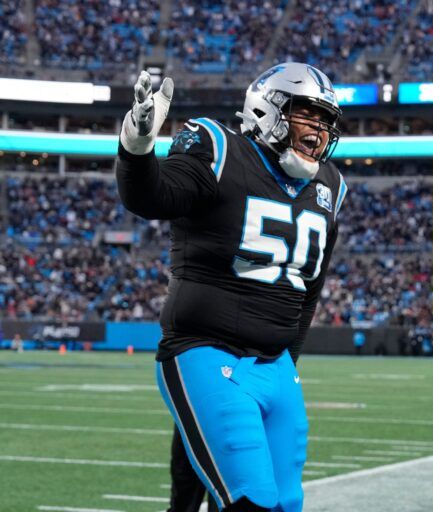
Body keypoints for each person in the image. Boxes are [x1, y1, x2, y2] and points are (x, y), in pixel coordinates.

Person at [116, 62, 346, 512]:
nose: (317, 130)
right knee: (251, 503)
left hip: (275, 366)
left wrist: (284, 359)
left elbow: (309, 286)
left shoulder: (330, 185)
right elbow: (151, 197)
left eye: (325, 120)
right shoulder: (219, 149)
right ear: (267, 108)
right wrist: (137, 146)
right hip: (207, 350)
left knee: (286, 504)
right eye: (306, 114)